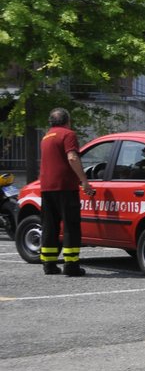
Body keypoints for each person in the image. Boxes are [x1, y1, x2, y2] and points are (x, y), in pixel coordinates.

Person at [37, 107, 96, 277]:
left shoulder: (46, 137)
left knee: (50, 225)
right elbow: (72, 157)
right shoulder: (68, 134)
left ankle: (49, 264)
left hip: (47, 187)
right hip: (65, 187)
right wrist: (84, 181)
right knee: (70, 225)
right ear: (67, 120)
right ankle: (71, 265)